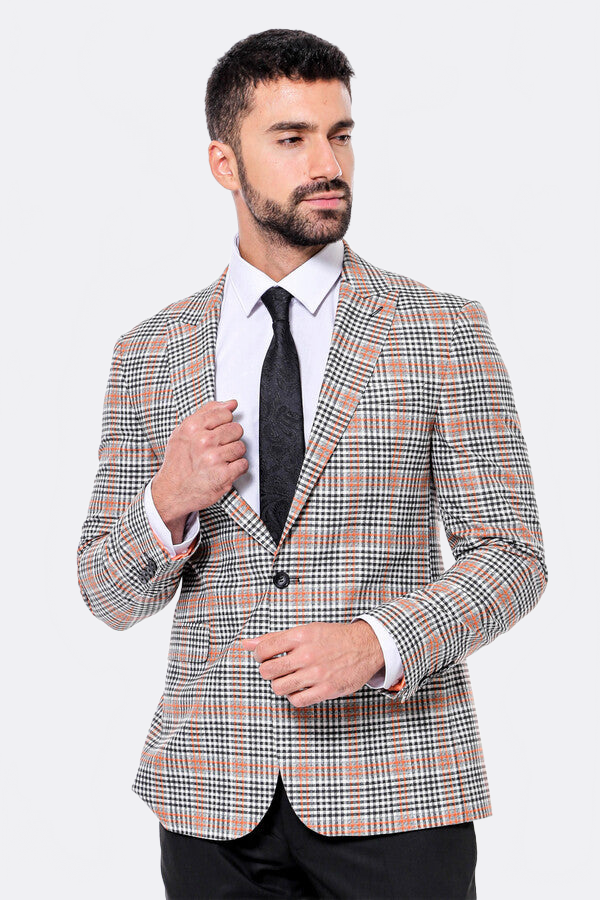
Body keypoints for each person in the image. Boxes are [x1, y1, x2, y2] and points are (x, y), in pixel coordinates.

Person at [77, 28, 547, 900]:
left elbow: (514, 556)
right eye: (291, 139)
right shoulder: (150, 352)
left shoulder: (442, 330)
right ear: (225, 163)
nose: (327, 164)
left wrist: (377, 642)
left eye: (340, 135)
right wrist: (166, 502)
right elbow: (105, 594)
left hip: (396, 791)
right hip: (212, 797)